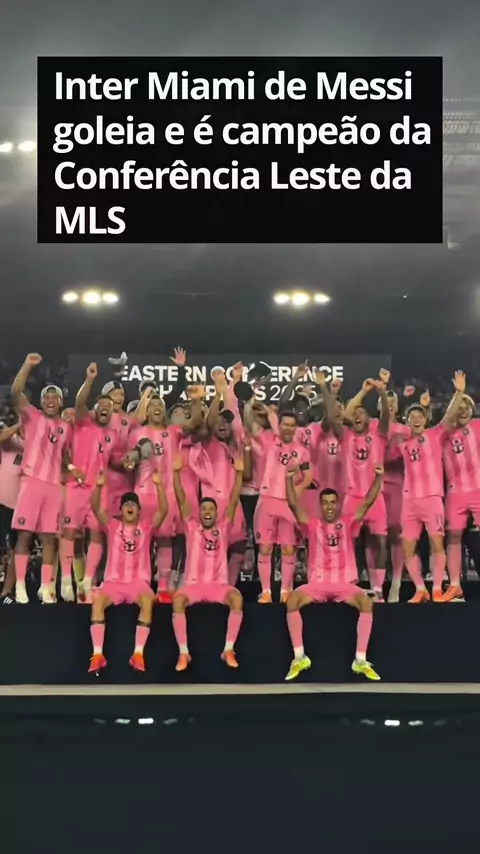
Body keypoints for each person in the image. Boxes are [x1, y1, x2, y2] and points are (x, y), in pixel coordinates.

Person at [284, 464, 384, 682]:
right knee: (292, 600)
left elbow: (367, 501)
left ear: (338, 505)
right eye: (325, 503)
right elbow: (292, 504)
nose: (329, 506)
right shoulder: (311, 525)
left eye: (332, 502)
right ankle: (299, 657)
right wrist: (289, 479)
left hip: (344, 584)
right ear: (320, 506)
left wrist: (378, 477)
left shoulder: (348, 523)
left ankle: (360, 660)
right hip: (318, 584)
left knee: (366, 603)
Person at [395, 371, 466, 603]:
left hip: (432, 498)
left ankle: (436, 588)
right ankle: (420, 589)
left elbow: (449, 415)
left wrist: (459, 392)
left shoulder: (435, 435)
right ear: (407, 421)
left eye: (420, 416)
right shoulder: (403, 443)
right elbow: (386, 427)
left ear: (425, 420)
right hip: (409, 500)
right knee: (407, 546)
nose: (416, 419)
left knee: (436, 543)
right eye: (412, 416)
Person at [88, 470, 167, 674]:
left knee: (148, 601)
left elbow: (163, 511)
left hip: (138, 584)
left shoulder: (146, 527)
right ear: (121, 510)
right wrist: (98, 487)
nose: (130, 507)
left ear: (139, 511)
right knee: (98, 602)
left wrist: (159, 486)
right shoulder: (112, 526)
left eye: (133, 505)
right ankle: (98, 655)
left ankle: (138, 654)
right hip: (113, 583)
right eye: (126, 505)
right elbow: (95, 508)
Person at [171, 452, 245, 672]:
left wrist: (239, 474)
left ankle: (228, 649)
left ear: (216, 513)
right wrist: (175, 473)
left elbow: (233, 499)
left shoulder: (224, 528)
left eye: (211, 509)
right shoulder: (191, 526)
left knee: (237, 599)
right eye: (204, 509)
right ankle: (184, 653)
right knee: (177, 601)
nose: (207, 512)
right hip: (194, 586)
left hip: (218, 586)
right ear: (200, 513)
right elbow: (181, 498)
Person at [11, 353, 72, 604]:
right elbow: (15, 392)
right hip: (31, 482)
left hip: (53, 486)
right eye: (46, 397)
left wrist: (73, 471)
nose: (50, 400)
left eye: (54, 397)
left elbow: (65, 458)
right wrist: (27, 366)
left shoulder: (66, 427)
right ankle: (20, 586)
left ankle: (46, 588)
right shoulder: (32, 416)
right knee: (25, 535)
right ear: (41, 401)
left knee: (49, 538)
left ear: (60, 402)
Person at [59, 362, 116, 602]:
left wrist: (131, 458)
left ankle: (87, 581)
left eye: (109, 407)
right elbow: (80, 402)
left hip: (98, 491)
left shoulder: (112, 435)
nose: (105, 409)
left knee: (96, 535)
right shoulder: (83, 422)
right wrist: (90, 379)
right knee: (69, 532)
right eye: (102, 405)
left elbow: (116, 460)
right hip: (76, 487)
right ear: (94, 410)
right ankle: (65, 581)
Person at [331, 373, 390, 600]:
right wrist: (342, 393)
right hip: (352, 497)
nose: (357, 416)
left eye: (361, 413)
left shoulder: (378, 433)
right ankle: (350, 585)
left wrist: (382, 393)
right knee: (349, 542)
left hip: (376, 497)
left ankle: (378, 588)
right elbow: (336, 417)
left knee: (380, 542)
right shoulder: (345, 435)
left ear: (369, 418)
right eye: (354, 414)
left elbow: (385, 415)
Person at [127, 393, 183, 602]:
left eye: (161, 405)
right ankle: (139, 583)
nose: (157, 407)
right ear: (147, 411)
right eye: (153, 405)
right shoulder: (137, 433)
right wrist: (130, 461)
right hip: (143, 493)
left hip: (166, 495)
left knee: (165, 540)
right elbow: (129, 460)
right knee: (140, 540)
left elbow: (194, 424)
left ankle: (163, 588)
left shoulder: (173, 432)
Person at [252, 411, 312, 603]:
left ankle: (285, 591)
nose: (288, 428)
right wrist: (253, 407)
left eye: (292, 425)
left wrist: (296, 490)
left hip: (287, 505)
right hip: (266, 500)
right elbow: (250, 426)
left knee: (288, 548)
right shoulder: (269, 442)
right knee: (265, 548)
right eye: (285, 424)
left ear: (295, 428)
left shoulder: (302, 451)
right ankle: (266, 592)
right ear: (280, 426)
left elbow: (308, 476)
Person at [441, 392, 480, 602]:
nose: (463, 410)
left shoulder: (478, 427)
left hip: (478, 490)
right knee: (453, 536)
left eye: (467, 407)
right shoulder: (444, 432)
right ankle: (455, 585)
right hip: (455, 492)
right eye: (459, 407)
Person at [0, 417, 23, 601]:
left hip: (19, 508)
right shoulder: (11, 440)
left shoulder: (34, 446)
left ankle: (6, 592)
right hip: (1, 502)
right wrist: (21, 423)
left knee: (14, 551)